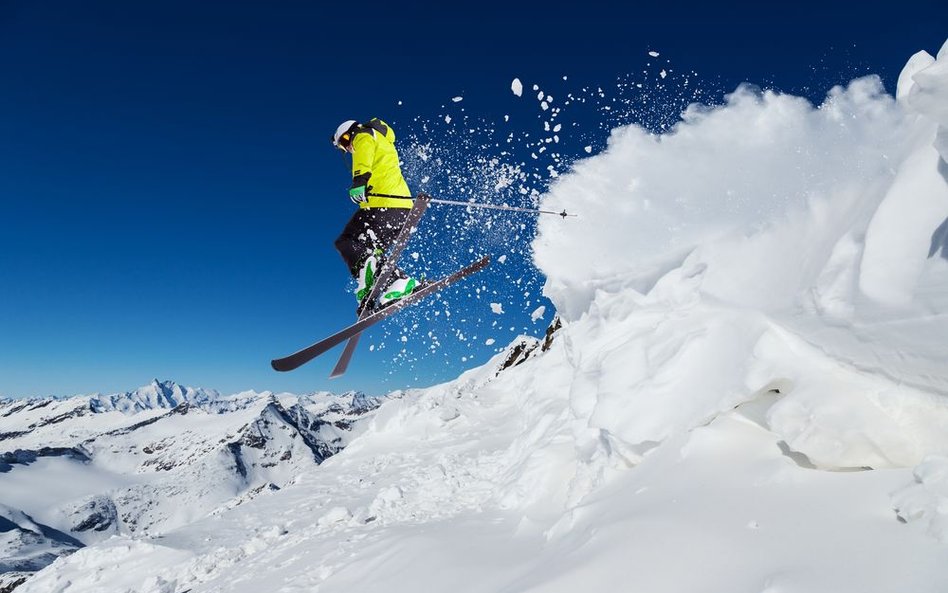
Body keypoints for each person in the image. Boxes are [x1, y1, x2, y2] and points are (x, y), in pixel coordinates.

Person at [331, 118, 419, 310]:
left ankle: (376, 280)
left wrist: (359, 180)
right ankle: (396, 281)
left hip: (384, 207)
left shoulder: (363, 134)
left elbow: (363, 154)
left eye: (345, 143)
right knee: (370, 249)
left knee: (346, 241)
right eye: (343, 148)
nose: (348, 149)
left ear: (349, 134)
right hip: (400, 210)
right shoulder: (383, 141)